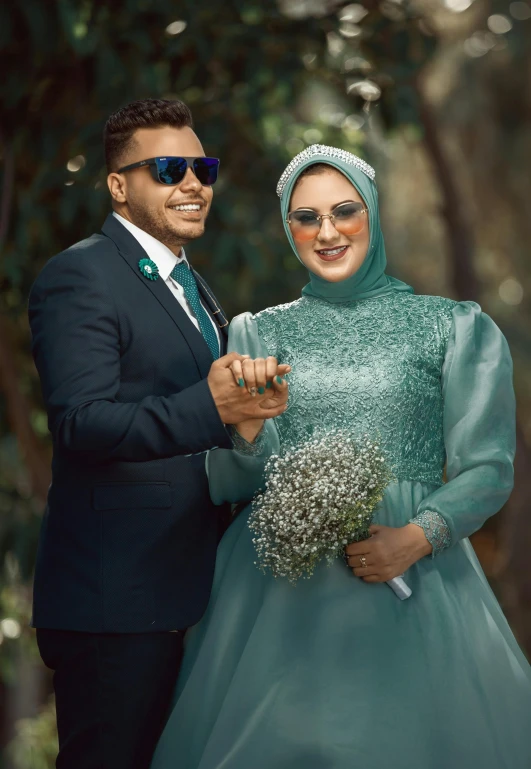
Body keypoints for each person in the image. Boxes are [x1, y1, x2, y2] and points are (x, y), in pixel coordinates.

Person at [151, 145, 531, 769]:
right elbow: (243, 476)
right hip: (277, 598)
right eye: (306, 217)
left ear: (373, 214)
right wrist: (247, 430)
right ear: (288, 228)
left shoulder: (452, 327)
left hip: (416, 583)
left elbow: (487, 467)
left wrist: (414, 537)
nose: (326, 232)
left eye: (344, 211)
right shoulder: (255, 334)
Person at [28, 98, 289, 769]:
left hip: (190, 591)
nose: (193, 183)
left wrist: (249, 424)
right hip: (116, 604)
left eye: (201, 166)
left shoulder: (192, 285)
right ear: (119, 185)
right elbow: (82, 421)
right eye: (169, 168)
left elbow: (204, 424)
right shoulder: (80, 274)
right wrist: (212, 405)